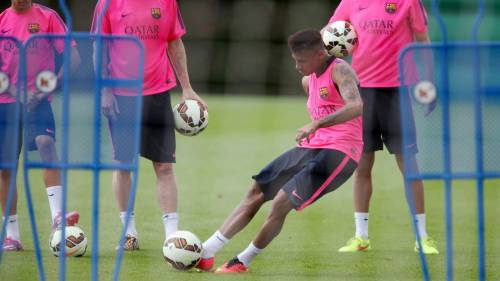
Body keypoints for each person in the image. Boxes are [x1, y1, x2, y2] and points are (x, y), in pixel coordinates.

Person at [195, 29, 363, 273]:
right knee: (257, 190)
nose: (297, 66)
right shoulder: (308, 80)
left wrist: (316, 123)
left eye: (302, 61)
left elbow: (356, 106)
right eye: (295, 60)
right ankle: (206, 251)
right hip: (312, 147)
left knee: (281, 203)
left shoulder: (340, 70)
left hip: (342, 152)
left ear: (319, 54)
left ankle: (242, 261)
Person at [91, 0, 207, 250]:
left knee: (164, 165)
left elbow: (174, 42)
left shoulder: (166, 2)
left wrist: (187, 87)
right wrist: (104, 90)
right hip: (121, 95)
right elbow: (98, 46)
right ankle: (128, 233)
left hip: (157, 93)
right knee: (123, 165)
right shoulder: (107, 3)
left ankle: (172, 235)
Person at [330, 0, 438, 254]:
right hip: (361, 94)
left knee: (409, 165)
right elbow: (332, 36)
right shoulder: (350, 2)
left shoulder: (408, 2)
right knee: (362, 166)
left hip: (397, 93)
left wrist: (431, 81)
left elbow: (423, 41)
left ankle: (422, 237)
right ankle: (361, 237)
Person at [0, 0, 81, 251]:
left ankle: (58, 216)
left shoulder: (48, 17)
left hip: (38, 100)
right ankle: (11, 235)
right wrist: (14, 90)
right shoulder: (2, 21)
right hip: (5, 100)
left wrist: (47, 88)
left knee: (46, 143)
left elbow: (74, 58)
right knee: (5, 168)